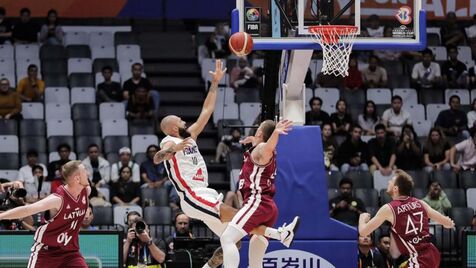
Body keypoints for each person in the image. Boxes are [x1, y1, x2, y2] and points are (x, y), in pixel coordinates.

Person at [154, 60, 298, 266]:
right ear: (173, 128)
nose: (182, 119)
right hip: (191, 194)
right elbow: (157, 157)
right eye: (179, 119)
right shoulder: (170, 141)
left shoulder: (190, 136)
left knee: (234, 240)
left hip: (205, 191)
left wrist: (215, 83)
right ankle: (279, 234)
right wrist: (172, 150)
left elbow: (207, 111)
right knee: (237, 218)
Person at [220, 119, 300, 268]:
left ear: (259, 133)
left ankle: (282, 234)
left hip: (257, 202)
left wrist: (275, 133)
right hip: (267, 207)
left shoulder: (263, 148)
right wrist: (255, 142)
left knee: (227, 239)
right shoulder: (258, 149)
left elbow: (267, 148)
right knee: (255, 265)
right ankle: (282, 234)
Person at [0, 161, 91, 267]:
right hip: (47, 252)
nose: (88, 173)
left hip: (71, 252)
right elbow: (27, 209)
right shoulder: (57, 200)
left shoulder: (86, 191)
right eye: (85, 171)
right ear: (77, 179)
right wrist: (2, 216)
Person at [358, 170, 455, 268]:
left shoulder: (389, 208)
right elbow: (447, 223)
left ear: (395, 188)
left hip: (419, 258)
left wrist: (362, 218)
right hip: (431, 253)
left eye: (391, 180)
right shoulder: (420, 203)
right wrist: (449, 223)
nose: (388, 182)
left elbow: (363, 231)